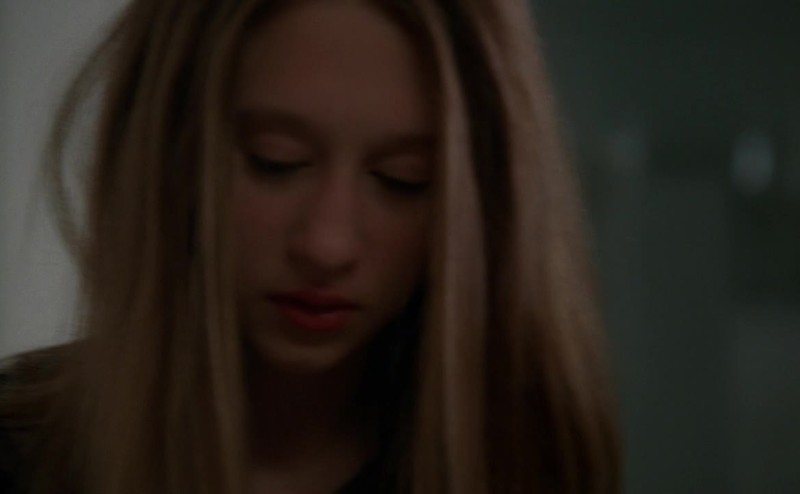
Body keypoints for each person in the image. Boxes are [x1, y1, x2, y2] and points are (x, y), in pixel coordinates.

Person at [0, 0, 620, 493]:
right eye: (276, 161)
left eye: (403, 179)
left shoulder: (521, 466)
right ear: (169, 153)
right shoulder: (22, 454)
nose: (327, 245)